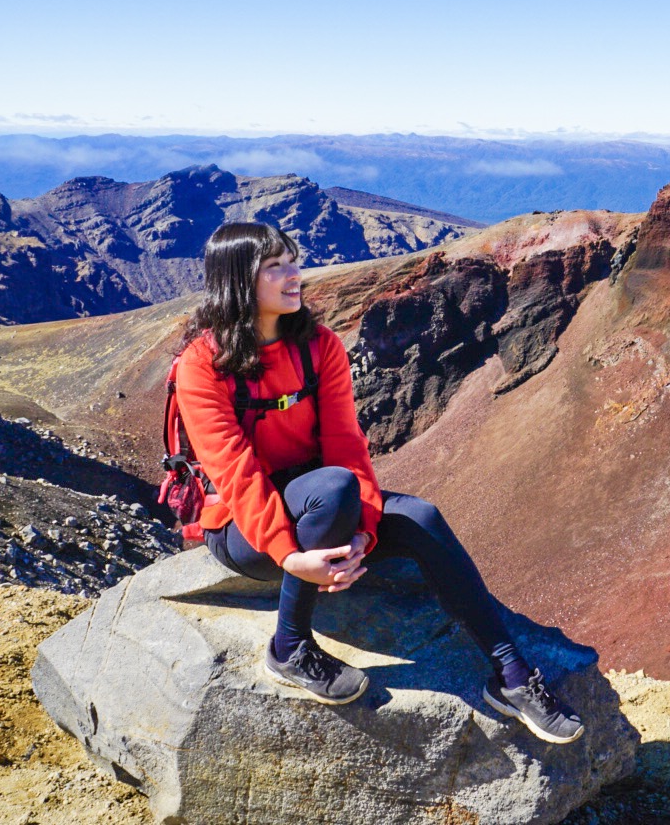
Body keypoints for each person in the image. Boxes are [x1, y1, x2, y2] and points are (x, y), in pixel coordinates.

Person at [173, 221, 583, 744]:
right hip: (243, 529)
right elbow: (235, 472)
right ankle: (289, 647)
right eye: (274, 267)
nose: (294, 275)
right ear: (237, 280)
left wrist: (364, 531)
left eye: (293, 261)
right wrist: (291, 558)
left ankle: (512, 676)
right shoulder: (202, 365)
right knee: (333, 490)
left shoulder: (317, 346)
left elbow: (348, 445)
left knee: (419, 516)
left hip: (326, 502)